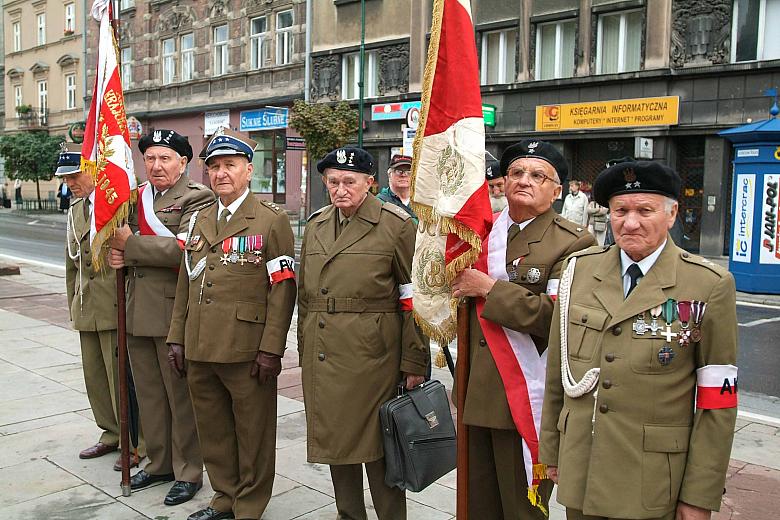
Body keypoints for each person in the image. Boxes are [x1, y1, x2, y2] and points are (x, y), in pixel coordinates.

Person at [540, 160, 738, 520]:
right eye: (621, 211)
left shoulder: (708, 285)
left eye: (645, 211)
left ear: (672, 213)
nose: (630, 223)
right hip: (584, 470)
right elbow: (559, 372)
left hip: (653, 482)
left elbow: (717, 403)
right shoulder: (580, 270)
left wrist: (699, 496)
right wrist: (552, 451)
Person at [450, 140, 596, 519]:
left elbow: (558, 319)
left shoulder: (574, 241)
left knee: (522, 509)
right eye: (516, 172)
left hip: (527, 398)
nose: (524, 181)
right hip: (476, 390)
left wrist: (488, 289)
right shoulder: (482, 234)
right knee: (479, 505)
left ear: (557, 189)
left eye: (537, 175)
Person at [166, 128, 296, 520]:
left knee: (252, 433)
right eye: (214, 166)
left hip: (246, 348)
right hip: (201, 344)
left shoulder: (271, 221)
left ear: (248, 170)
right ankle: (224, 496)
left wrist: (272, 348)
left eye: (230, 165)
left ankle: (249, 505)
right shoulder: (201, 219)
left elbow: (283, 290)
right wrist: (177, 337)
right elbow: (186, 283)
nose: (221, 173)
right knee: (214, 430)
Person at [297, 147, 429, 520]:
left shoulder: (397, 225)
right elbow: (306, 296)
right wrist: (304, 344)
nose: (341, 189)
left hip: (373, 356)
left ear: (370, 183)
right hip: (324, 352)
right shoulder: (317, 224)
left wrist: (414, 360)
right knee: (335, 442)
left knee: (379, 445)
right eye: (333, 182)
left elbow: (413, 296)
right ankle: (348, 514)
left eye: (350, 182)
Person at [107, 130, 213, 506]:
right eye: (150, 158)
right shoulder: (136, 197)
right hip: (137, 307)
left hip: (172, 309)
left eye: (165, 158)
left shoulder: (198, 197)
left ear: (183, 163)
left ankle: (188, 470)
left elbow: (184, 248)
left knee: (179, 396)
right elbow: (115, 237)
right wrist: (115, 252)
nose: (156, 166)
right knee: (150, 394)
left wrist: (129, 246)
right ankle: (159, 461)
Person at [59, 143, 144, 470]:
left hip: (114, 306)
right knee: (95, 377)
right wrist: (73, 306)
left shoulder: (120, 206)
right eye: (66, 179)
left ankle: (133, 441)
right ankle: (110, 433)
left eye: (75, 176)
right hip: (87, 307)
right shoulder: (75, 211)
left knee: (121, 379)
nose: (71, 184)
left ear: (94, 170)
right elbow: (71, 266)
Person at [377, 154, 418, 224]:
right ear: (389, 174)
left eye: (409, 172)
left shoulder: (422, 201)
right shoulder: (379, 202)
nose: (404, 175)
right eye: (399, 171)